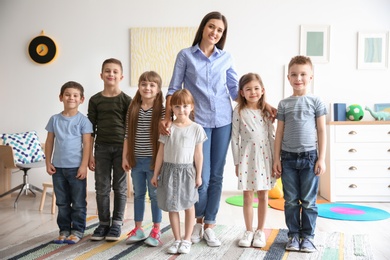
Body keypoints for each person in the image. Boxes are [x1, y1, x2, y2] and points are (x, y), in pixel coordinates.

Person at [160, 11, 277, 247]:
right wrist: (167, 117)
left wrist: (264, 103)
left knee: (216, 175)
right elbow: (174, 87)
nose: (215, 32)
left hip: (223, 120)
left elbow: (237, 92)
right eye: (211, 27)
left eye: (220, 30)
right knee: (200, 175)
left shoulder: (227, 58)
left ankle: (210, 224)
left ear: (223, 34)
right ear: (203, 28)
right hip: (197, 121)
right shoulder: (185, 55)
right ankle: (197, 221)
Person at [273, 55, 327, 253]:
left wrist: (321, 158)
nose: (299, 78)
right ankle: (294, 236)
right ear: (288, 77)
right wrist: (276, 158)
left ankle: (308, 237)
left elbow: (321, 130)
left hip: (310, 158)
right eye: (294, 74)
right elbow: (279, 132)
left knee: (309, 201)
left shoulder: (316, 101)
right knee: (290, 200)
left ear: (311, 76)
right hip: (287, 158)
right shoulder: (284, 104)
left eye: (303, 74)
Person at [152, 89, 207, 254]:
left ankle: (187, 239)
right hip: (169, 171)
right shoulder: (168, 128)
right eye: (177, 107)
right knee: (172, 206)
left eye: (185, 106)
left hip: (187, 172)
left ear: (191, 107)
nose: (181, 110)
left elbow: (198, 154)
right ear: (171, 109)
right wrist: (156, 174)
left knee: (189, 205)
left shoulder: (197, 128)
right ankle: (177, 238)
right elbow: (160, 152)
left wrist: (198, 175)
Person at [88, 58, 132, 241]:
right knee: (102, 187)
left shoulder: (126, 100)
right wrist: (90, 154)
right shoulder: (95, 100)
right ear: (101, 75)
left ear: (121, 76)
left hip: (121, 149)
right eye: (107, 71)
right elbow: (90, 130)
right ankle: (103, 223)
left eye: (115, 71)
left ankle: (117, 223)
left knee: (120, 187)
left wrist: (127, 155)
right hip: (101, 149)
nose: (111, 74)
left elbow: (129, 130)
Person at [231, 73, 276, 248]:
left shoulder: (267, 111)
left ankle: (260, 231)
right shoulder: (239, 111)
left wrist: (275, 161)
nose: (253, 92)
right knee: (248, 195)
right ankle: (248, 230)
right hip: (247, 158)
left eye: (256, 88)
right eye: (248, 89)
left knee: (264, 194)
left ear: (262, 90)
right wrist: (236, 162)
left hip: (265, 156)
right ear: (242, 92)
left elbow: (272, 136)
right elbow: (235, 138)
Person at [45, 81, 93, 244]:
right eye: (67, 95)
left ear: (81, 99)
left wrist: (83, 166)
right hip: (58, 168)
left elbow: (87, 144)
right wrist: (48, 162)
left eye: (75, 95)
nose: (71, 98)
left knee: (78, 202)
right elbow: (50, 141)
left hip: (76, 169)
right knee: (62, 201)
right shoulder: (54, 119)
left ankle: (78, 230)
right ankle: (64, 230)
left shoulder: (83, 121)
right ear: (61, 97)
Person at [122, 71, 164, 246]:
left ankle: (156, 230)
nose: (147, 88)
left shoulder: (161, 111)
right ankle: (138, 229)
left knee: (155, 196)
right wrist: (125, 157)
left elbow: (164, 140)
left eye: (152, 85)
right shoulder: (133, 109)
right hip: (136, 160)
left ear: (158, 89)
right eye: (144, 84)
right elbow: (126, 136)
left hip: (154, 161)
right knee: (138, 194)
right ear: (139, 87)